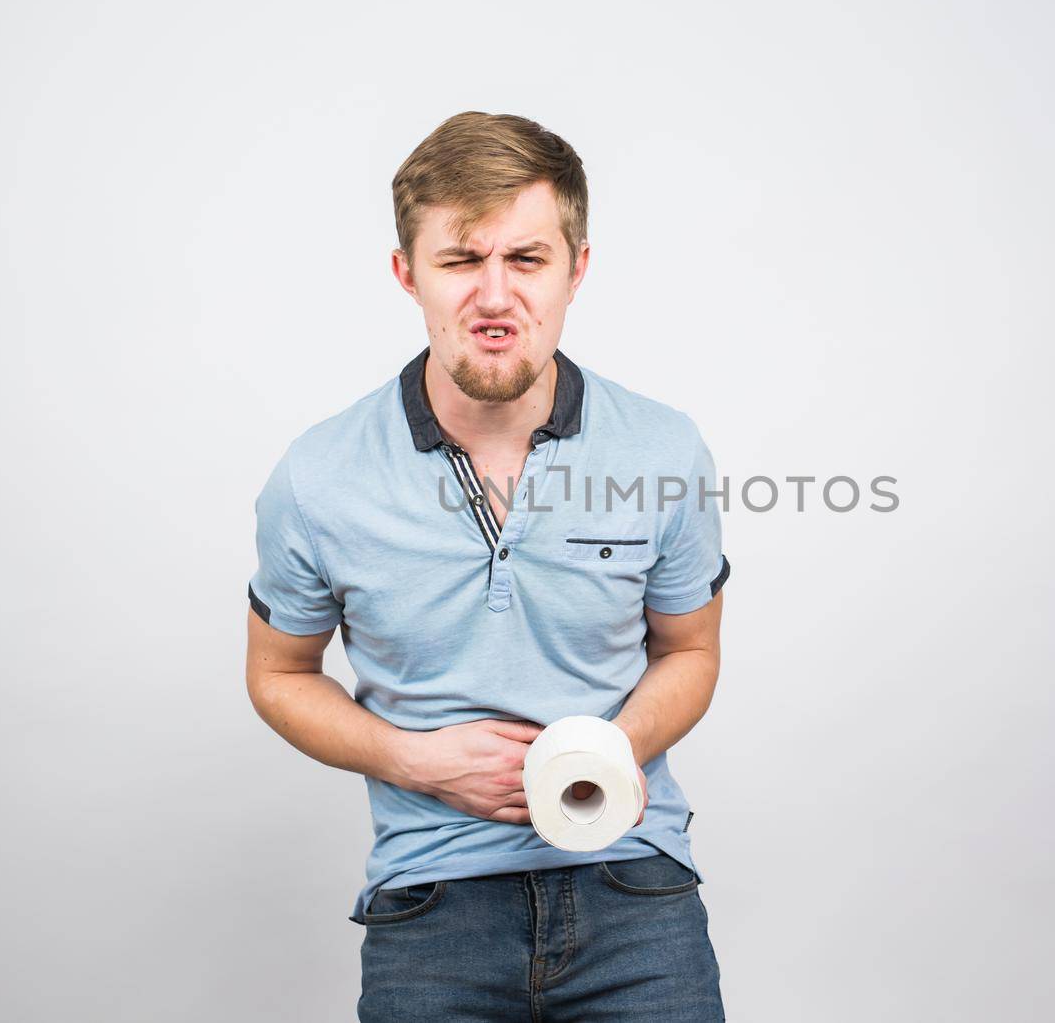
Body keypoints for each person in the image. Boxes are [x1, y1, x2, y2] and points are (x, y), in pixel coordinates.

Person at [244, 111, 730, 1021]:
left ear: (577, 269)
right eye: (462, 260)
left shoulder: (665, 447)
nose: (495, 296)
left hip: (636, 885)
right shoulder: (316, 477)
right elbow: (276, 674)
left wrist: (609, 754)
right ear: (407, 274)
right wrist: (412, 759)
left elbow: (691, 652)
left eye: (528, 259)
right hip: (430, 900)